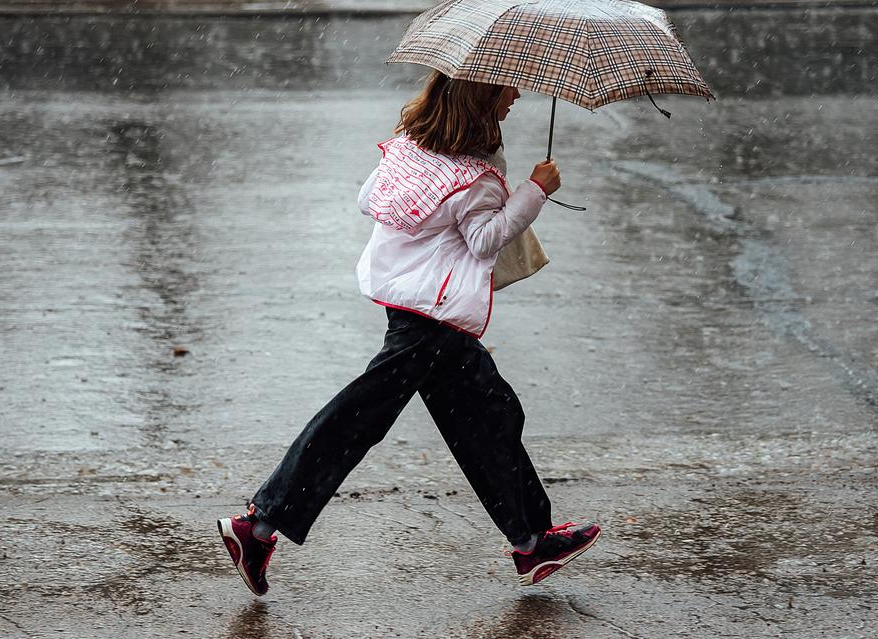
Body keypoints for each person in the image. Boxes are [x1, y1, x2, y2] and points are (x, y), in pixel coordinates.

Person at [217, 70, 601, 596]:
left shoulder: (410, 148)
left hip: (411, 304)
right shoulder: (475, 177)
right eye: (508, 87)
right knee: (357, 419)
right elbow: (486, 241)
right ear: (482, 95)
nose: (516, 95)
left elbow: (368, 199)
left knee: (490, 415)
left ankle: (532, 542)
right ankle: (258, 526)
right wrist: (535, 189)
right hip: (434, 317)